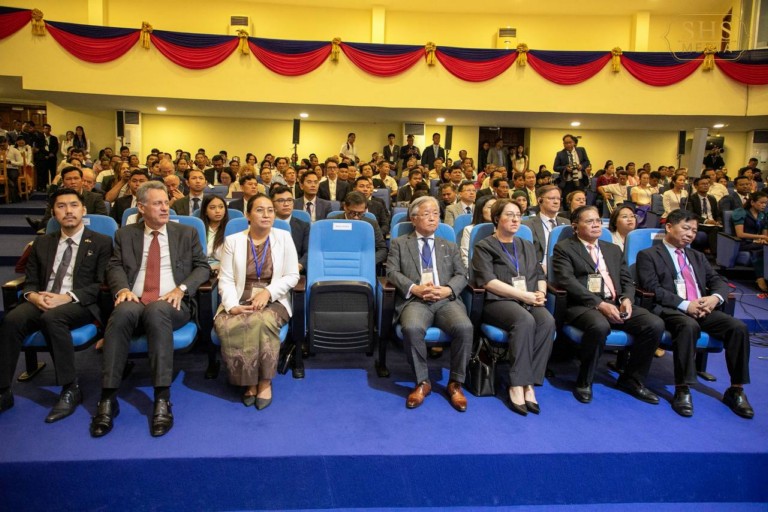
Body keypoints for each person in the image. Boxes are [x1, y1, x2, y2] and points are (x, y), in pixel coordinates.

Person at [90, 181, 210, 438]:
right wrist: (122, 289)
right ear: (141, 207)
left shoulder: (186, 233)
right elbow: (114, 266)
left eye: (166, 203)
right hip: (136, 299)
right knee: (122, 312)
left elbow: (203, 267)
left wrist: (181, 289)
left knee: (157, 311)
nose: (165, 208)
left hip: (173, 304)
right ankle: (108, 397)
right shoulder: (125, 235)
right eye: (158, 204)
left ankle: (162, 397)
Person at [0, 188, 113, 422]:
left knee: (53, 318)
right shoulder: (42, 242)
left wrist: (67, 297)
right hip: (43, 298)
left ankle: (70, 387)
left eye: (73, 205)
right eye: (61, 206)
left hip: (80, 302)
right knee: (12, 320)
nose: (68, 211)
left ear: (83, 210)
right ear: (53, 213)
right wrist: (33, 296)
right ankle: (3, 390)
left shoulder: (101, 242)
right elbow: (31, 280)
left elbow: (101, 284)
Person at [636, 208, 753, 418]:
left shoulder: (697, 256)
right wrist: (685, 305)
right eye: (686, 228)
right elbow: (653, 288)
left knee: (738, 327)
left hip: (701, 308)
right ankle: (683, 388)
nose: (690, 234)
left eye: (694, 231)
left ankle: (736, 389)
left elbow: (718, 281)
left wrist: (714, 298)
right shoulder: (649, 255)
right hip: (670, 309)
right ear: (669, 227)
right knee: (688, 325)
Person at [552, 205, 664, 405]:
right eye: (589, 221)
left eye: (597, 220)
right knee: (599, 325)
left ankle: (631, 379)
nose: (596, 225)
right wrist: (599, 304)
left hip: (616, 302)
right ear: (575, 226)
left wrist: (627, 299)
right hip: (584, 304)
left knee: (654, 324)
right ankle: (584, 380)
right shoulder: (565, 248)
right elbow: (567, 281)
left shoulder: (612, 249)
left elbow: (626, 280)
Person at [386, 196, 472, 412]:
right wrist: (414, 288)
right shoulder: (400, 243)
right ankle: (422, 382)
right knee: (412, 328)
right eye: (427, 214)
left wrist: (448, 289)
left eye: (436, 214)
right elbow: (392, 272)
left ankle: (455, 383)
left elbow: (462, 274)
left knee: (464, 327)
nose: (433, 218)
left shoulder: (449, 245)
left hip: (445, 299)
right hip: (416, 300)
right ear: (413, 218)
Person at [214, 194, 299, 409]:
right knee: (228, 323)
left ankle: (264, 381)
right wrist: (232, 305)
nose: (266, 215)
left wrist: (268, 292)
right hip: (239, 296)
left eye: (270, 210)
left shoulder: (284, 237)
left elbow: (292, 275)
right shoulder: (233, 241)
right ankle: (249, 381)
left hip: (274, 298)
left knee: (261, 321)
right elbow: (225, 278)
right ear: (248, 215)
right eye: (260, 210)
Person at [472, 199, 555, 416]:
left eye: (518, 215)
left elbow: (539, 274)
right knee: (524, 320)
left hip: (527, 298)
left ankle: (530, 383)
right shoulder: (484, 246)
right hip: (498, 301)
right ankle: (516, 384)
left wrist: (541, 293)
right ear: (496, 218)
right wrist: (524, 295)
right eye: (509, 215)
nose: (515, 219)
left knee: (547, 321)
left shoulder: (526, 245)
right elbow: (488, 282)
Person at [522, 185, 568, 274]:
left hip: (564, 268)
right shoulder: (527, 226)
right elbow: (525, 254)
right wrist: (539, 268)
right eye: (551, 198)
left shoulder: (567, 223)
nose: (556, 202)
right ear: (540, 200)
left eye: (558, 199)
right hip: (538, 270)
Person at [731, 191, 768, 291]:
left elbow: (765, 235)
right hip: (742, 243)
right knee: (761, 249)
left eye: (765, 203)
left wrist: (762, 239)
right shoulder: (741, 212)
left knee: (764, 246)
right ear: (752, 202)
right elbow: (740, 234)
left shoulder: (763, 215)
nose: (764, 205)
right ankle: (760, 278)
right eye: (761, 202)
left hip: (756, 243)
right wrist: (759, 237)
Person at [341, 191, 388, 265]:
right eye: (352, 213)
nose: (356, 217)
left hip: (365, 263)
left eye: (360, 213)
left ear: (365, 210)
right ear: (345, 207)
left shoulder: (371, 224)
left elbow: (382, 249)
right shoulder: (331, 223)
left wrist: (368, 262)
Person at [271, 185, 310, 273]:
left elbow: (308, 252)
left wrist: (299, 266)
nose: (286, 204)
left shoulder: (304, 226)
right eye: (281, 200)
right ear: (272, 204)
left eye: (289, 200)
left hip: (295, 270)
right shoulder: (266, 224)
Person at [460, 195, 496, 268]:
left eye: (496, 207)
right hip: (477, 269)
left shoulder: (503, 229)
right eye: (490, 207)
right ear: (480, 210)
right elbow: (465, 257)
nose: (494, 210)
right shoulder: (469, 230)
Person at [201, 195, 229, 270]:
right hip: (201, 268)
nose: (217, 211)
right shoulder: (198, 229)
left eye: (221, 207)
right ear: (205, 211)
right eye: (212, 207)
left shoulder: (230, 230)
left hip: (223, 269)